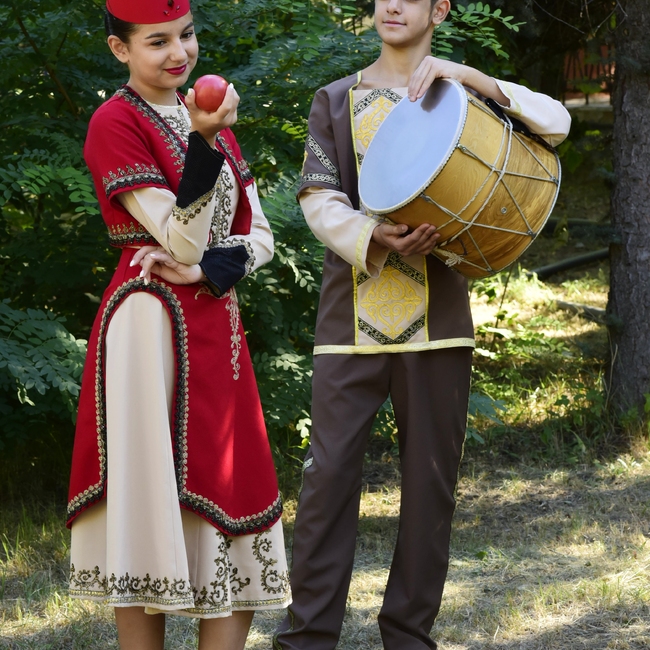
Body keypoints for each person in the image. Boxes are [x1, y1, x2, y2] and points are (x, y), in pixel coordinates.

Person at [273, 1, 571, 649]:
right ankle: (307, 639)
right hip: (348, 323)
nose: (391, 6)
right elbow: (318, 201)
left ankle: (409, 637)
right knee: (326, 481)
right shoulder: (334, 99)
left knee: (430, 486)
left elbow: (558, 120)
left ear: (439, 8)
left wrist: (471, 77)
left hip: (440, 325)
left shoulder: (463, 96)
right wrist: (373, 235)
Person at [66, 1, 291, 648]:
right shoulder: (114, 122)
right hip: (148, 329)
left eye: (186, 35)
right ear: (120, 49)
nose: (178, 53)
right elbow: (180, 238)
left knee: (234, 489)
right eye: (157, 40)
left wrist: (209, 271)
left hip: (216, 320)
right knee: (147, 507)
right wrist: (204, 143)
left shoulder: (207, 116)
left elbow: (261, 235)